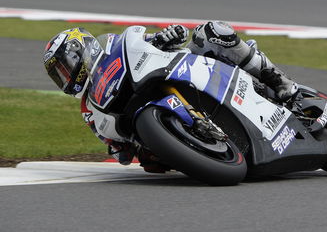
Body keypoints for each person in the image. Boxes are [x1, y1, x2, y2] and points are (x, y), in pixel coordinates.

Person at [42, 21, 297, 172]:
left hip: (187, 71)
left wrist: (166, 36)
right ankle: (202, 145)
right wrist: (127, 148)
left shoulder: (114, 46)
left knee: (212, 31)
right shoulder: (89, 108)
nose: (65, 77)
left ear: (81, 51)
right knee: (153, 164)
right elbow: (117, 148)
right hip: (160, 132)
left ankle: (277, 79)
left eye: (64, 68)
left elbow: (159, 41)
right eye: (59, 75)